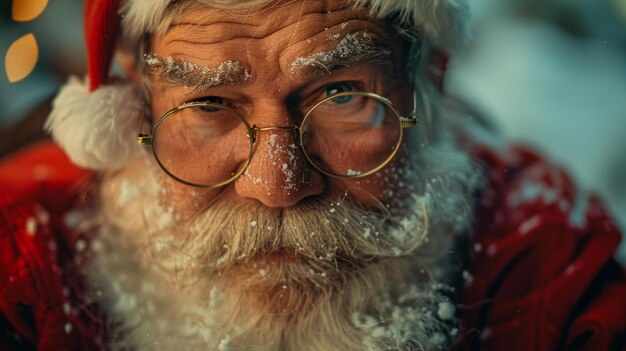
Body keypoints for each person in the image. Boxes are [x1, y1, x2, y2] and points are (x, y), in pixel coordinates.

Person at [0, 0, 624, 350]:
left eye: (343, 96)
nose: (276, 186)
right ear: (133, 103)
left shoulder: (558, 282)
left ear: (429, 85)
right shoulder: (19, 272)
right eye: (209, 106)